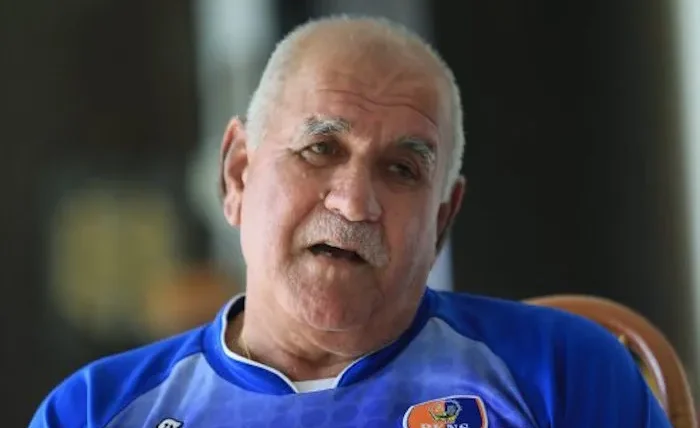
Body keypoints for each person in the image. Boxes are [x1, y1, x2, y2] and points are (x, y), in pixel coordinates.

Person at [31, 16, 671, 428]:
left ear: (442, 218)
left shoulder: (560, 372)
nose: (355, 203)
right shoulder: (95, 411)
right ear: (238, 174)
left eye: (402, 170)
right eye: (320, 149)